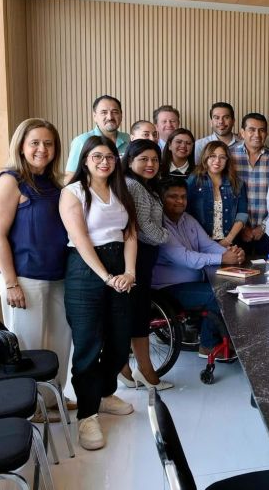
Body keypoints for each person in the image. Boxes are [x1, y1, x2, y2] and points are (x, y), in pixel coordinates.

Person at [0, 118, 73, 418]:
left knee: (61, 339)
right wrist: (11, 283)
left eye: (48, 143)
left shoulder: (55, 182)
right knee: (29, 343)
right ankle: (30, 406)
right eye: (34, 142)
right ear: (21, 146)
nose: (42, 149)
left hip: (57, 273)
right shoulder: (10, 180)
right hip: (22, 275)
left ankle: (53, 398)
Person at [59, 135, 137, 451]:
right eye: (97, 157)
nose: (104, 162)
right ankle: (87, 414)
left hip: (120, 265)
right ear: (85, 160)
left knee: (119, 342)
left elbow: (130, 234)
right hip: (85, 269)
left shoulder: (122, 190)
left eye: (109, 157)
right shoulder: (73, 192)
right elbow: (80, 239)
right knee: (88, 345)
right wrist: (106, 277)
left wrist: (129, 273)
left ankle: (104, 393)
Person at [152, 178, 246, 359]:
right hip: (168, 289)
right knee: (218, 294)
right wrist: (222, 258)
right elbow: (185, 258)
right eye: (173, 196)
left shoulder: (187, 219)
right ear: (161, 199)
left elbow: (207, 245)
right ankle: (208, 345)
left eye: (183, 196)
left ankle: (227, 340)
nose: (180, 201)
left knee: (232, 285)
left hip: (195, 282)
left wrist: (231, 254)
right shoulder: (159, 226)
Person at [118, 139, 173, 391]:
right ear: (130, 161)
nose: (150, 164)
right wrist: (166, 236)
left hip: (142, 257)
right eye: (143, 159)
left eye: (154, 160)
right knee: (137, 315)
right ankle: (143, 372)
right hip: (137, 258)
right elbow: (143, 227)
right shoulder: (134, 186)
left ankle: (131, 369)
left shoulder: (143, 185)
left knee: (137, 314)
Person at [231, 113, 269, 255]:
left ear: (266, 133)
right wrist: (241, 226)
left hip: (268, 231)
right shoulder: (229, 156)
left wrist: (264, 226)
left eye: (262, 130)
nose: (257, 135)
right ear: (242, 132)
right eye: (252, 130)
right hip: (235, 231)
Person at [187, 141, 248, 247]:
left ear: (227, 160)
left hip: (230, 242)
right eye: (212, 156)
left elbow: (242, 214)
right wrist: (204, 241)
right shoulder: (194, 180)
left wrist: (228, 240)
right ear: (205, 157)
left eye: (222, 157)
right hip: (199, 243)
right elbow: (186, 213)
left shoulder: (237, 183)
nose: (217, 161)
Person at [65, 95, 130, 179]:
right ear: (95, 116)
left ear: (121, 115)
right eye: (104, 112)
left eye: (115, 112)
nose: (110, 117)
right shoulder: (81, 141)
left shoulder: (128, 139)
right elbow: (69, 177)